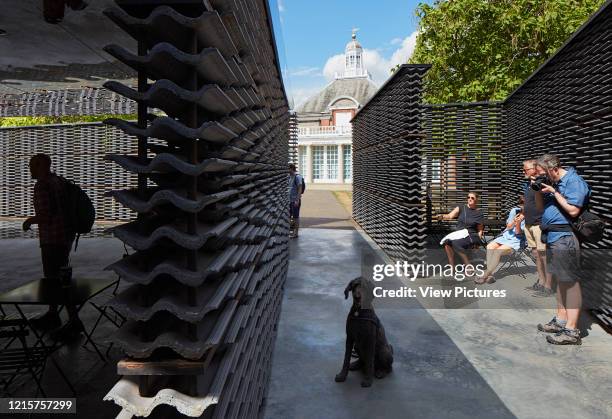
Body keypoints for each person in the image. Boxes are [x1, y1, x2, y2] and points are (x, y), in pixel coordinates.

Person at [22, 154, 84, 340]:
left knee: (55, 281)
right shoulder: (58, 181)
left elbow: (46, 216)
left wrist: (28, 221)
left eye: (33, 165)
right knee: (59, 279)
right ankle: (53, 314)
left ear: (42, 166)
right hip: (65, 237)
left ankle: (73, 321)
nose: (30, 168)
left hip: (52, 240)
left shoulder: (42, 185)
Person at [534, 154, 590, 345]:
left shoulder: (574, 181)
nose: (542, 176)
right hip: (552, 237)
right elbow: (542, 209)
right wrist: (538, 190)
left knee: (571, 282)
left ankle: (572, 331)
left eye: (543, 173)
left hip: (565, 238)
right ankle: (561, 320)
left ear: (553, 169)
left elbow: (574, 210)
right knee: (560, 280)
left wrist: (554, 192)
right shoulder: (553, 183)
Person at [475, 196, 526, 284]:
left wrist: (518, 223)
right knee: (490, 246)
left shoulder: (530, 216)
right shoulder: (515, 211)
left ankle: (484, 275)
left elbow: (518, 233)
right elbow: (508, 227)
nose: (522, 207)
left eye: (524, 204)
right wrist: (514, 221)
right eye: (521, 204)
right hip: (506, 236)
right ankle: (490, 275)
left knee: (498, 251)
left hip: (516, 240)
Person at [522, 159, 554, 296]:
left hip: (538, 225)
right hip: (529, 224)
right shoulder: (528, 184)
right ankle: (541, 281)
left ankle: (548, 286)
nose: (524, 171)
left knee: (544, 256)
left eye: (526, 169)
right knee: (536, 255)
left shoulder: (542, 183)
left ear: (535, 169)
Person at [437, 192, 485, 269]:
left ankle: (468, 266)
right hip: (459, 234)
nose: (469, 199)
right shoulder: (461, 207)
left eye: (472, 198)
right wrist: (442, 216)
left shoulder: (479, 213)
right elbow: (450, 216)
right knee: (447, 242)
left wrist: (477, 243)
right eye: (468, 197)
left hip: (471, 235)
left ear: (476, 200)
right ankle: (452, 266)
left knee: (455, 243)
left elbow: (480, 229)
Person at [288, 163, 304, 238]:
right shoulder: (289, 177)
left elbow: (300, 188)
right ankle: (292, 231)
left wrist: (297, 200)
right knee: (290, 216)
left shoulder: (297, 177)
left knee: (295, 217)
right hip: (290, 200)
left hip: (295, 200)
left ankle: (295, 233)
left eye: (288, 169)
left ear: (291, 169)